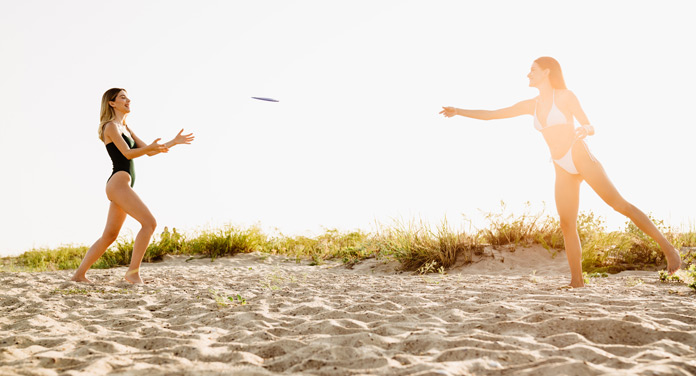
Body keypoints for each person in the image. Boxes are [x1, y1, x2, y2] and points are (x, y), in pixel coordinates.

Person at [439, 57, 681, 287]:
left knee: (620, 205)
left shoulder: (565, 97)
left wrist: (584, 130)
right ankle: (577, 281)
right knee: (567, 223)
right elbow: (493, 115)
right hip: (560, 165)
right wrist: (459, 111)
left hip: (578, 153)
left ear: (546, 72)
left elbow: (589, 124)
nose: (528, 74)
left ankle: (669, 249)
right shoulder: (530, 105)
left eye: (532, 69)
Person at [71, 88, 194, 284]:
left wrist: (174, 142)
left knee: (109, 235)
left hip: (121, 185)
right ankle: (132, 273)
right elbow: (128, 153)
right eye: (122, 97)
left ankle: (78, 275)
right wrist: (148, 148)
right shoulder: (110, 127)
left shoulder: (126, 128)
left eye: (127, 97)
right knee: (149, 223)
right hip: (118, 183)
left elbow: (150, 151)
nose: (128, 100)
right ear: (112, 103)